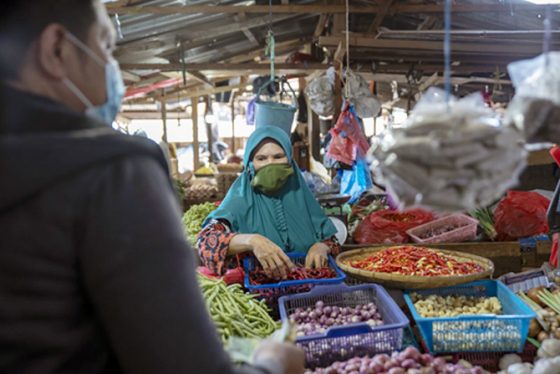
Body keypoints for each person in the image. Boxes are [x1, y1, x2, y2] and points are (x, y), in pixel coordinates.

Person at [0, 1, 304, 373]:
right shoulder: (114, 171)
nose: (111, 66)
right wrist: (271, 365)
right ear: (57, 49)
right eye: (106, 45)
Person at [198, 126, 340, 279]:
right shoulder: (239, 200)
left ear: (290, 160)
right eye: (261, 158)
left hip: (309, 291)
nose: (270, 164)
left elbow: (332, 239)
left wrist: (322, 246)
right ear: (250, 164)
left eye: (278, 157)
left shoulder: (300, 194)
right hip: (259, 296)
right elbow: (205, 242)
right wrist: (252, 240)